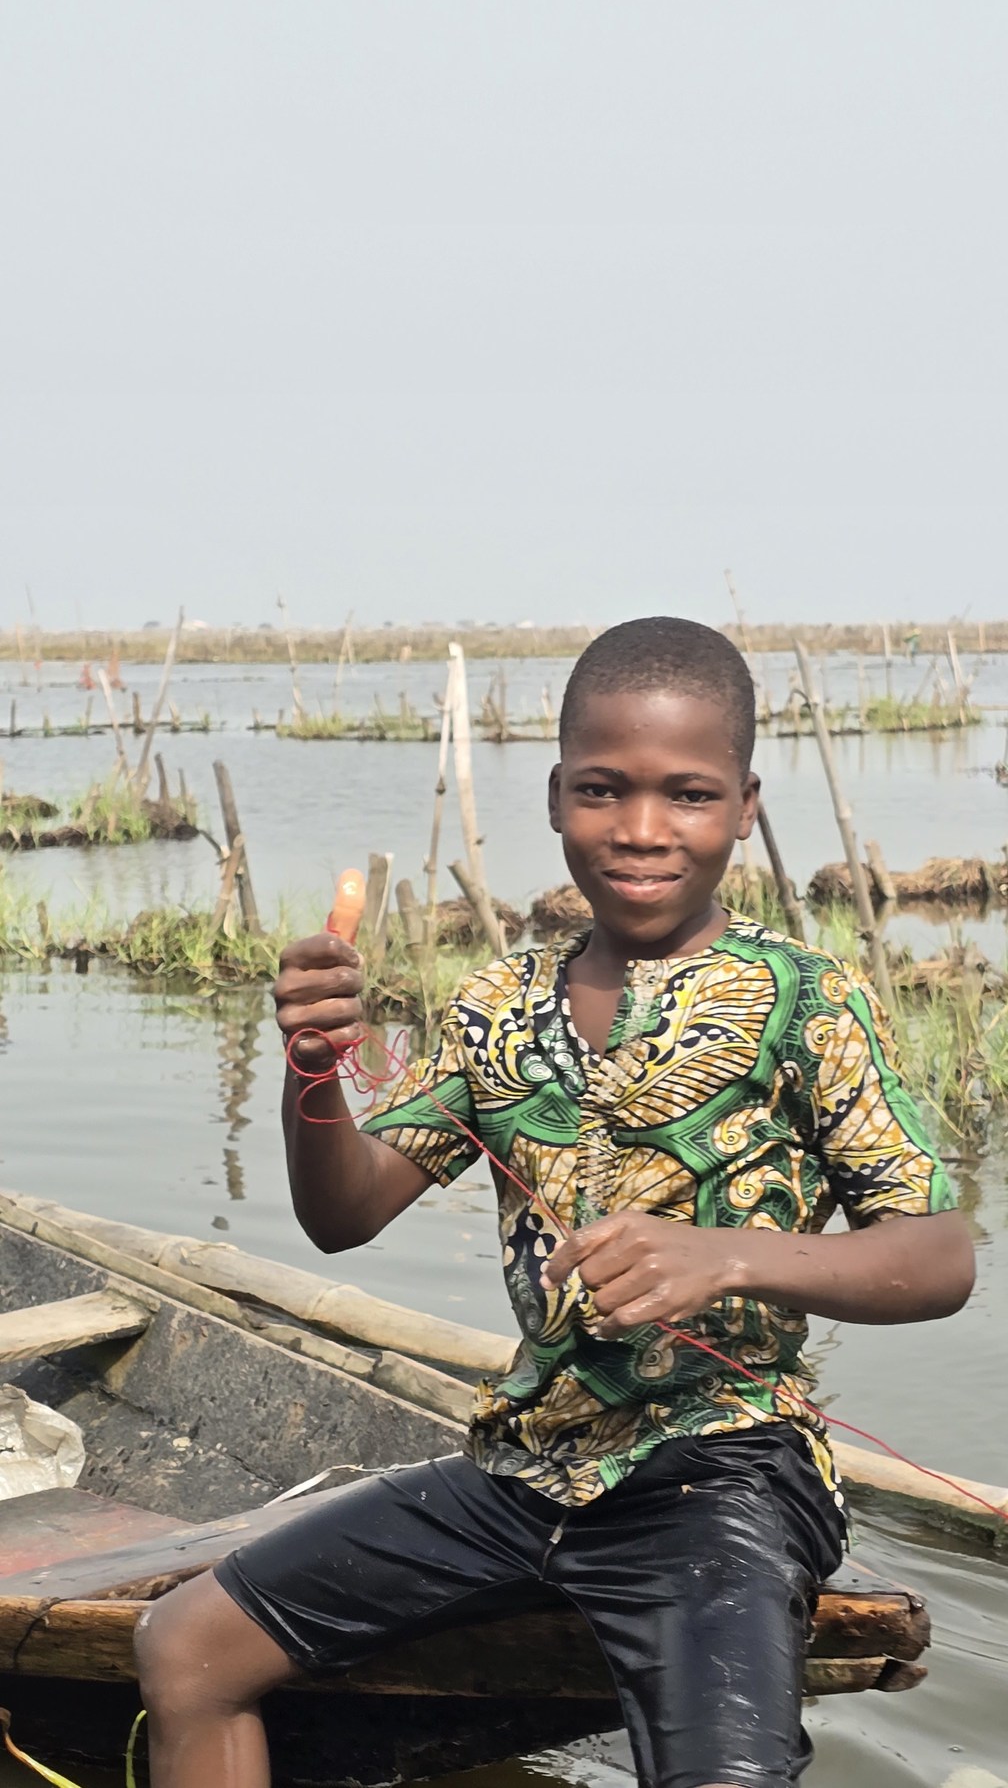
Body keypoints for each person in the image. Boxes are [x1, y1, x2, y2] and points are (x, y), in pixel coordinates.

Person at [136, 616, 975, 1788]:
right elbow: (345, 1213)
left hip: (724, 1472)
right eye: (602, 788)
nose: (642, 828)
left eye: (689, 794)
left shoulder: (807, 998)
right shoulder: (498, 1003)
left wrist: (726, 1255)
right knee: (185, 1646)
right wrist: (314, 1067)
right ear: (554, 796)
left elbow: (939, 1256)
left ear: (745, 808)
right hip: (525, 1467)